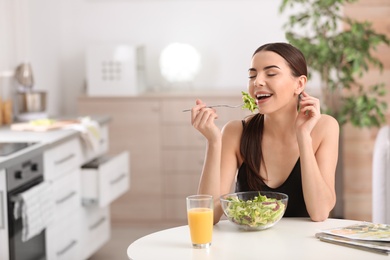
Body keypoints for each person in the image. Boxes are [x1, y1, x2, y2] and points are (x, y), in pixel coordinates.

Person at [190, 42, 339, 224]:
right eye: (252, 75)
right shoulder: (235, 132)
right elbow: (208, 216)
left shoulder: (324, 127)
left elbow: (320, 212)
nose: (257, 82)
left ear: (299, 84)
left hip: (305, 248)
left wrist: (303, 137)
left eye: (271, 73)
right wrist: (213, 142)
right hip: (248, 246)